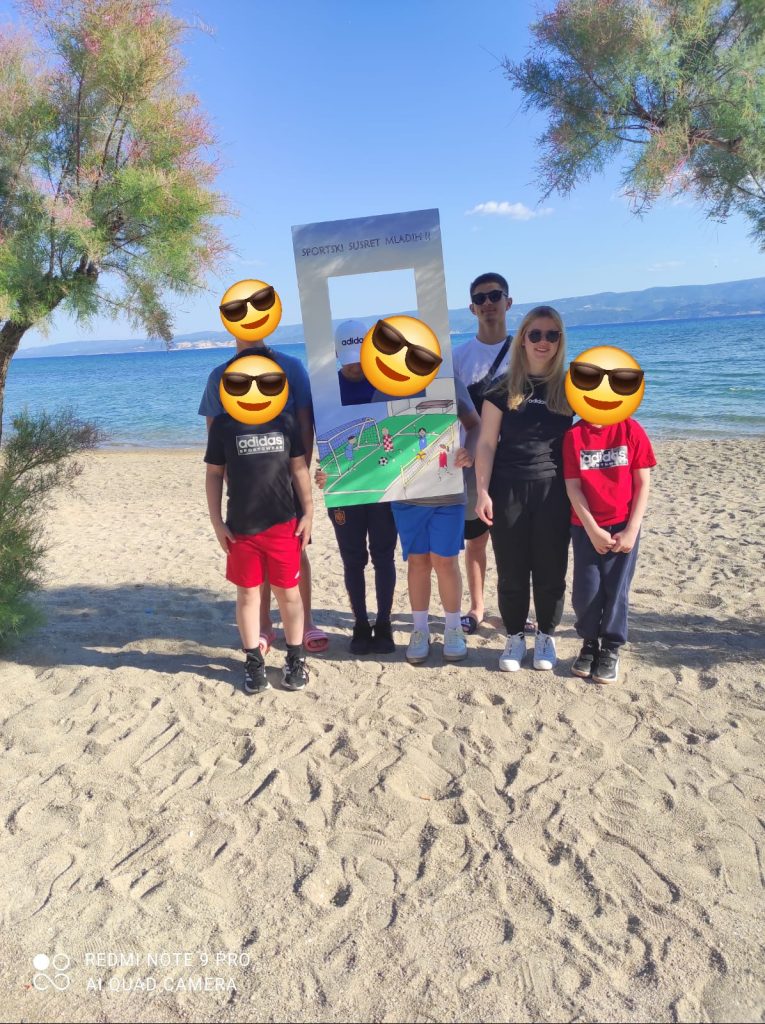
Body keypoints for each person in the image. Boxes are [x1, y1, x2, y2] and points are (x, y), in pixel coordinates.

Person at [199, 332, 330, 655]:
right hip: (246, 491)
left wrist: (300, 481)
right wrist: (236, 481)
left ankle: (305, 621)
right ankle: (264, 626)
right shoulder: (220, 376)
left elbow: (305, 424)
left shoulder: (290, 367)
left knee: (296, 550)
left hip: (287, 479)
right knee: (252, 567)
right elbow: (216, 443)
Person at [474, 305, 573, 672]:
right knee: (512, 571)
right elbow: (486, 443)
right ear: (522, 340)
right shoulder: (501, 389)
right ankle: (515, 636)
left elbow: (600, 427)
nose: (543, 342)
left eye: (552, 335)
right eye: (535, 334)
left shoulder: (571, 387)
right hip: (508, 490)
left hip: (554, 491)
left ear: (560, 341)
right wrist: (482, 492)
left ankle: (546, 636)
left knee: (551, 571)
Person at [452, 273, 534, 636]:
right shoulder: (458, 358)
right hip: (473, 463)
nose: (488, 303)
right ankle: (477, 607)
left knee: (515, 541)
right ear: (472, 308)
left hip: (516, 462)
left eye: (495, 296)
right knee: (476, 540)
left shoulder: (526, 353)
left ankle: (517, 609)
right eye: (480, 298)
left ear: (508, 302)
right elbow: (447, 412)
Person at [563, 412, 656, 684]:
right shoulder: (574, 436)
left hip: (624, 526)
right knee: (586, 591)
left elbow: (643, 484)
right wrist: (592, 529)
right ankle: (589, 643)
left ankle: (611, 648)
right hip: (585, 527)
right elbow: (573, 487)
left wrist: (632, 529)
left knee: (617, 590)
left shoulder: (631, 429)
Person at [394, 379, 480, 664]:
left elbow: (475, 425)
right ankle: (420, 630)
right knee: (417, 561)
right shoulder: (384, 384)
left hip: (448, 494)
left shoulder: (449, 381)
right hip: (407, 496)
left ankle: (453, 628)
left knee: (445, 561)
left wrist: (470, 452)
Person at [313, 471, 398, 655]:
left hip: (383, 485)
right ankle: (361, 624)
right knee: (352, 560)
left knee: (383, 556)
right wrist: (320, 472)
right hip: (342, 489)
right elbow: (303, 457)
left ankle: (384, 624)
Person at [335, 319, 377, 406]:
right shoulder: (328, 390)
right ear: (336, 354)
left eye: (361, 359)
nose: (356, 369)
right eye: (349, 360)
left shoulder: (385, 383)